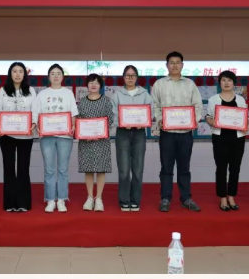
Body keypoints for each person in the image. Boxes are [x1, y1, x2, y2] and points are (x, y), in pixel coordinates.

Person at [152, 51, 203, 212]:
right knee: (166, 167)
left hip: (185, 133)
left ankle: (186, 198)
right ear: (167, 65)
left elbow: (198, 105)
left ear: (182, 65)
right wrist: (160, 120)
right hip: (167, 133)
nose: (174, 65)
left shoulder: (190, 84)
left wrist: (193, 120)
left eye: (177, 62)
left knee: (184, 167)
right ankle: (165, 198)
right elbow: (155, 106)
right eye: (171, 62)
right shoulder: (159, 84)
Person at [0, 62, 37, 212]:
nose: (18, 74)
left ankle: (23, 203)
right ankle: (10, 203)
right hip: (7, 135)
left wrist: (33, 123)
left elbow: (35, 110)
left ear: (24, 74)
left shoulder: (31, 91)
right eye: (15, 71)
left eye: (21, 71)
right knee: (9, 168)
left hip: (26, 136)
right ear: (10, 74)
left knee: (23, 168)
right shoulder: (3, 91)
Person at [36, 63, 78, 213]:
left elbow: (73, 114)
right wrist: (38, 126)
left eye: (58, 73)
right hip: (46, 136)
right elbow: (36, 114)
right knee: (49, 169)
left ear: (62, 77)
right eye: (52, 73)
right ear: (48, 77)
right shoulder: (42, 94)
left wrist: (72, 125)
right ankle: (50, 199)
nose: (55, 76)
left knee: (63, 169)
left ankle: (61, 199)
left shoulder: (68, 93)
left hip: (65, 136)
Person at [205, 71, 248, 211]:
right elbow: (208, 116)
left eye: (229, 80)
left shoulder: (240, 100)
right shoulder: (213, 99)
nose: (226, 83)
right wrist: (211, 121)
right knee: (221, 168)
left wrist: (245, 125)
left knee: (235, 168)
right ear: (220, 83)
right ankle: (222, 198)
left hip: (238, 138)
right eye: (223, 80)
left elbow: (245, 118)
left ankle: (232, 196)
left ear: (234, 83)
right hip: (220, 138)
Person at [112, 65, 151, 211]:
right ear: (123, 77)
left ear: (137, 77)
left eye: (133, 75)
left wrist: (144, 123)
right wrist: (122, 123)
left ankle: (135, 199)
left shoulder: (145, 94)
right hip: (122, 133)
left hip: (139, 133)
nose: (130, 78)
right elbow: (113, 113)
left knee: (138, 168)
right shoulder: (117, 94)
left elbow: (151, 111)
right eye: (127, 75)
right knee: (123, 169)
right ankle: (124, 200)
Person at [77, 74, 115, 212]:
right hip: (86, 141)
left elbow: (110, 119)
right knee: (88, 169)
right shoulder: (81, 102)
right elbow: (78, 120)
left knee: (100, 169)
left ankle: (99, 198)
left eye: (96, 83)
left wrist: (100, 133)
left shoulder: (106, 101)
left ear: (100, 85)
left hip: (101, 141)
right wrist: (84, 134)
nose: (93, 85)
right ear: (87, 85)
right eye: (91, 82)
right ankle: (89, 197)